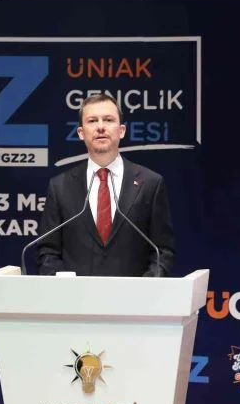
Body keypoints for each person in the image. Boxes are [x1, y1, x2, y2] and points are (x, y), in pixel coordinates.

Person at [36, 93, 175, 277]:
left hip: (134, 294)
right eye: (92, 121)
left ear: (122, 130)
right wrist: (66, 287)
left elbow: (162, 251)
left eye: (108, 120)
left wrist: (145, 286)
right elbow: (48, 252)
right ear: (81, 133)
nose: (100, 127)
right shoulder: (60, 186)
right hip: (75, 295)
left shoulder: (150, 183)